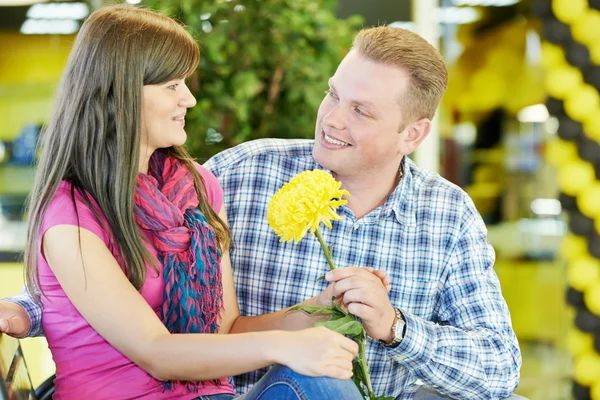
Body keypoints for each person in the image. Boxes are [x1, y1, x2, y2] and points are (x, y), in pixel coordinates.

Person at [0, 23, 522, 400]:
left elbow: (499, 371)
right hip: (245, 391)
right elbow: (104, 261)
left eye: (360, 110)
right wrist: (32, 308)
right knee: (323, 380)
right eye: (332, 95)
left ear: (413, 134)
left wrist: (393, 327)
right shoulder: (246, 171)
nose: (332, 119)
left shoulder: (448, 217)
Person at [0, 5, 369, 400]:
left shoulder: (199, 185)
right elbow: (154, 352)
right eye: (172, 86)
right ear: (119, 93)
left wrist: (316, 310)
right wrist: (284, 345)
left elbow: (226, 329)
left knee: (325, 382)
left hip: (212, 396)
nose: (189, 100)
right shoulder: (70, 215)